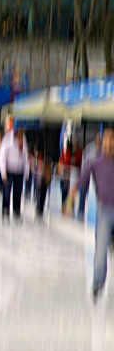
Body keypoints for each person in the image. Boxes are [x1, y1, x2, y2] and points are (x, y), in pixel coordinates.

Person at [69, 128, 114, 303]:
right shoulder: (94, 161)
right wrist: (71, 198)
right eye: (107, 140)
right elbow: (81, 179)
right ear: (102, 142)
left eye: (112, 140)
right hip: (104, 211)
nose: (109, 144)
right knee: (101, 249)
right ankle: (97, 283)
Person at [0, 128, 28, 223]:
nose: (21, 135)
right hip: (9, 171)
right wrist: (3, 173)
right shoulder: (7, 139)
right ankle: (5, 210)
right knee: (7, 192)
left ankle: (16, 210)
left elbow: (25, 156)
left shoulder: (23, 139)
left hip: (19, 171)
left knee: (18, 192)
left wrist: (26, 172)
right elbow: (2, 156)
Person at [78, 133, 102, 220]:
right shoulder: (89, 147)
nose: (99, 139)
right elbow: (84, 159)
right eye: (98, 137)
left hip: (98, 175)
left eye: (100, 138)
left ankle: (100, 214)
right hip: (87, 172)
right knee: (83, 192)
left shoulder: (103, 149)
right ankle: (80, 212)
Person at [35, 156, 52, 223]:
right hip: (41, 167)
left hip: (46, 167)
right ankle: (39, 208)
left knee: (44, 191)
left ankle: (40, 208)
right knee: (40, 189)